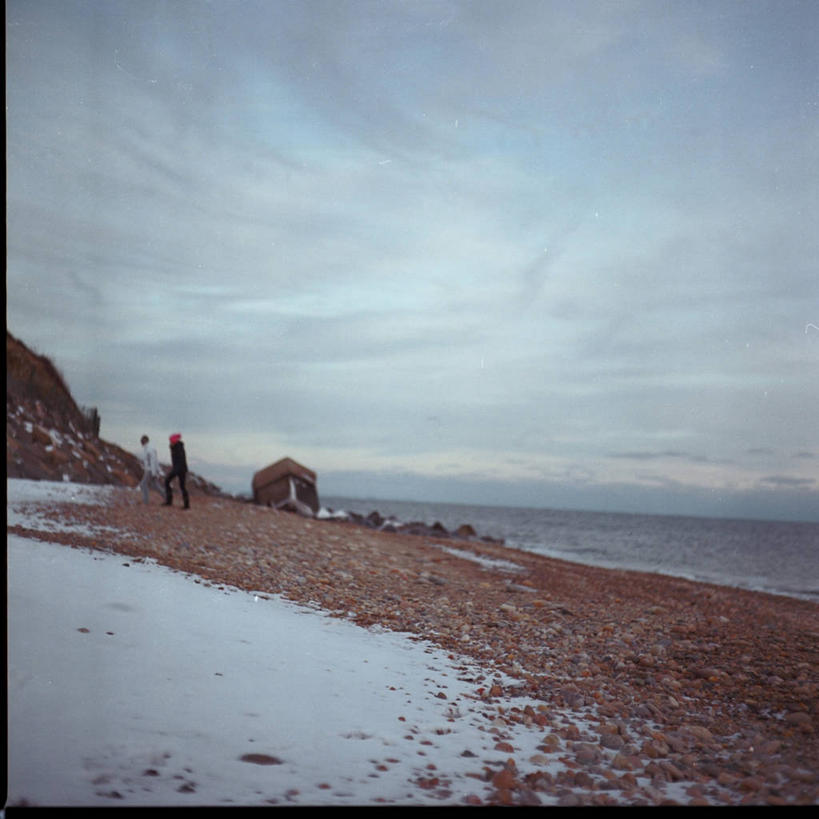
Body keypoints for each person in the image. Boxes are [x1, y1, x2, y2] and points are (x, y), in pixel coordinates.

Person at [164, 433, 190, 509]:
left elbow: (180, 461)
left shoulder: (178, 448)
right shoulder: (176, 447)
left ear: (174, 441)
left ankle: (171, 501)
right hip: (180, 469)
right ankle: (186, 504)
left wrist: (175, 470)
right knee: (182, 486)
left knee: (168, 481)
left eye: (171, 441)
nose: (170, 442)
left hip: (180, 469)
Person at [138, 435, 163, 505]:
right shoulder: (147, 449)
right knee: (155, 485)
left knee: (143, 484)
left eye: (142, 440)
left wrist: (154, 472)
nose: (141, 442)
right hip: (150, 470)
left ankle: (145, 501)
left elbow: (153, 461)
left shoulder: (149, 449)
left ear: (145, 440)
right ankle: (167, 497)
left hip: (150, 470)